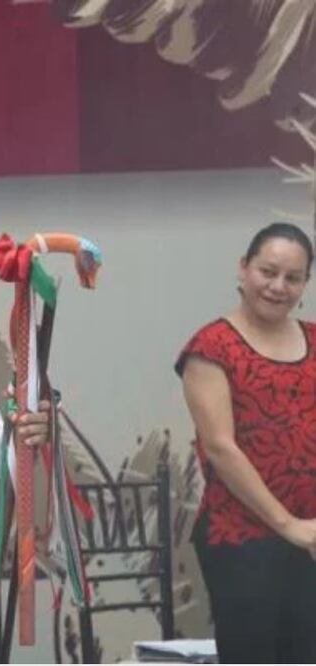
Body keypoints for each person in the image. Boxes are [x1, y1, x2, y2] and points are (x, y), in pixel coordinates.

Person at [177, 222, 316, 664]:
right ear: (244, 268)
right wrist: (288, 525)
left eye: (292, 278)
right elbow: (221, 448)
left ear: (305, 284)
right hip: (242, 535)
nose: (278, 286)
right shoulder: (211, 347)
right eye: (267, 272)